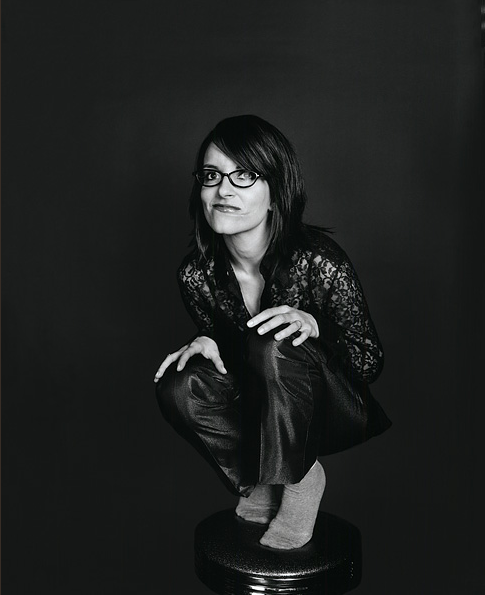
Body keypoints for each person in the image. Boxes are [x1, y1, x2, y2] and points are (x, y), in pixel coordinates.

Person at [154, 114, 391, 550]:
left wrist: (315, 326)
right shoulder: (196, 275)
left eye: (244, 175)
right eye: (212, 175)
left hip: (332, 410)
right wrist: (211, 341)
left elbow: (369, 362)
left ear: (275, 192)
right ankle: (260, 478)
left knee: (276, 339)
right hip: (264, 412)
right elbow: (243, 366)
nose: (223, 191)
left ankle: (301, 480)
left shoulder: (318, 260)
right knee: (179, 384)